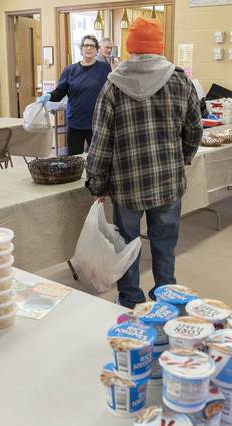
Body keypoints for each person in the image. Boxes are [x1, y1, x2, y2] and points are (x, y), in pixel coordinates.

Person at [86, 17, 203, 308]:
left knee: (127, 244)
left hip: (126, 184)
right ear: (159, 48)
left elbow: (101, 141)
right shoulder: (180, 80)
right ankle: (166, 295)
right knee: (164, 242)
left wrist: (97, 182)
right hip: (168, 181)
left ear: (131, 49)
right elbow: (195, 130)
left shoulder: (113, 86)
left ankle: (130, 298)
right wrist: (182, 158)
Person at [38, 34, 111, 155]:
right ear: (81, 49)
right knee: (73, 158)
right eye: (86, 45)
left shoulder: (104, 68)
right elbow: (60, 92)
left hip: (96, 122)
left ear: (97, 50)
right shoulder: (70, 70)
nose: (89, 48)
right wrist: (48, 96)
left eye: (92, 46)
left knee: (97, 157)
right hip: (75, 121)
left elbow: (109, 90)